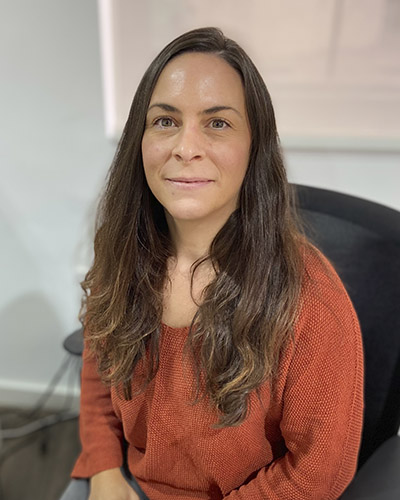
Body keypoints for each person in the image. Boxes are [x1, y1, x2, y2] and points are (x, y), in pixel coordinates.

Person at [61, 27, 364, 500]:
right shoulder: (121, 254)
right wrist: (103, 469)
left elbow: (317, 470)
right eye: (165, 121)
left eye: (218, 123)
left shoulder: (310, 296)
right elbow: (100, 371)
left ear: (254, 146)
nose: (186, 147)